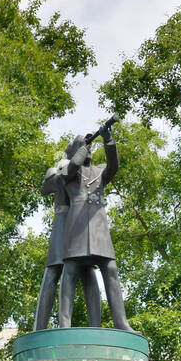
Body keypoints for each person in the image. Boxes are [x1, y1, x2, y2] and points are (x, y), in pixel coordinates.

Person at [57, 118, 132, 331]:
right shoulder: (66, 172)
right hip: (76, 228)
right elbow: (71, 167)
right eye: (81, 146)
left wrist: (107, 139)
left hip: (99, 229)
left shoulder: (99, 171)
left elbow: (114, 165)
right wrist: (84, 145)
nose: (87, 149)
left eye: (88, 146)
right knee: (70, 271)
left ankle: (121, 322)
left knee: (111, 269)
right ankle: (64, 324)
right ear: (75, 151)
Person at [34, 153, 102, 330]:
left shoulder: (86, 173)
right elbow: (45, 188)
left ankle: (96, 326)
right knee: (53, 271)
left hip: (80, 225)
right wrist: (60, 172)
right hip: (63, 222)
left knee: (87, 269)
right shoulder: (64, 168)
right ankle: (40, 329)